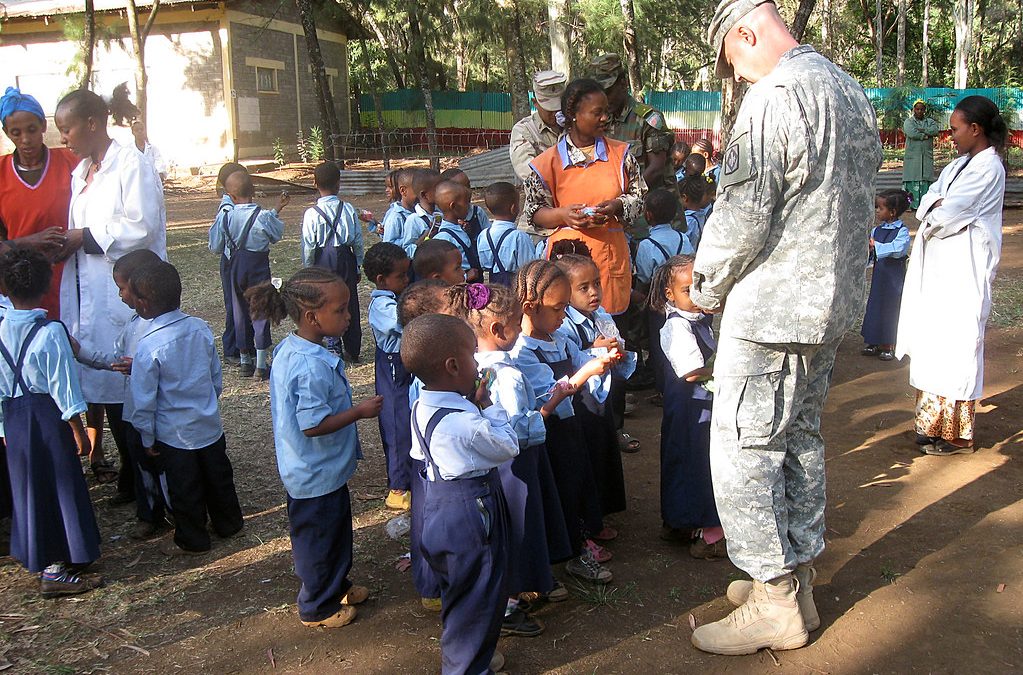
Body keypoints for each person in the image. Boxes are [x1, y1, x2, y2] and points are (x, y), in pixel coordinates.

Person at [690, 0, 882, 655]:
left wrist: (703, 288)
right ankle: (796, 577)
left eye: (733, 63)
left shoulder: (775, 96)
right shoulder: (848, 89)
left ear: (746, 32)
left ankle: (772, 597)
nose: (737, 77)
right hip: (828, 303)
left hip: (770, 307)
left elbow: (743, 213)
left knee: (746, 449)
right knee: (797, 438)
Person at [248, 267, 382, 628]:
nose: (348, 316)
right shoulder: (309, 365)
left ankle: (336, 584)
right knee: (318, 542)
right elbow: (311, 425)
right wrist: (359, 412)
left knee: (334, 532)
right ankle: (316, 606)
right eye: (340, 311)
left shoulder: (298, 348)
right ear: (312, 317)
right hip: (313, 472)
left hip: (322, 469)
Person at [54, 88, 166, 495]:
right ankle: (130, 473)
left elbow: (142, 225)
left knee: (128, 385)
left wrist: (83, 236)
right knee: (106, 384)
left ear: (92, 123)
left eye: (66, 129)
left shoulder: (130, 165)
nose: (63, 138)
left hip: (125, 293)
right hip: (91, 295)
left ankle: (143, 480)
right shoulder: (82, 171)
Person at [448, 282, 568, 638]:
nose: (522, 328)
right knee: (519, 528)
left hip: (489, 466)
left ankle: (512, 594)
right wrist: (551, 404)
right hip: (516, 466)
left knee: (501, 530)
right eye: (518, 321)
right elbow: (519, 431)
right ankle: (510, 604)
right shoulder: (509, 374)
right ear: (499, 330)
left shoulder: (470, 368)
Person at [402, 313, 519, 675]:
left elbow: (420, 455)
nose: (477, 363)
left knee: (460, 590)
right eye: (473, 355)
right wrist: (487, 404)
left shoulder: (423, 405)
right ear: (453, 366)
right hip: (471, 512)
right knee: (481, 595)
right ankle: (466, 667)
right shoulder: (465, 422)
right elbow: (508, 445)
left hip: (437, 507)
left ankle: (469, 657)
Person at [895, 96, 1007, 457]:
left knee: (957, 344)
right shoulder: (958, 165)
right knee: (933, 341)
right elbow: (929, 200)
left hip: (964, 271)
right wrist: (935, 205)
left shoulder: (989, 168)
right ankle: (930, 424)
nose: (951, 135)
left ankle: (958, 434)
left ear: (975, 129)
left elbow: (948, 214)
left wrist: (937, 207)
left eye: (956, 129)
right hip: (938, 270)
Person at [0, 247, 101, 598]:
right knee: (59, 488)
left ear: (4, 288)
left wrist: (4, 430)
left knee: (29, 489)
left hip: (14, 418)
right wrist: (80, 431)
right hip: (49, 419)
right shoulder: (51, 332)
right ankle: (58, 567)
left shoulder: (0, 330)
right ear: (46, 287)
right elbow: (65, 388)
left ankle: (46, 556)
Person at [511, 259, 619, 584]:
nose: (563, 316)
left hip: (570, 429)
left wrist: (599, 359)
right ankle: (558, 557)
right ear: (530, 307)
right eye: (558, 309)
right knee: (555, 493)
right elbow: (549, 394)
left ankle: (577, 545)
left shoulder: (558, 339)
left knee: (575, 485)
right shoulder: (522, 352)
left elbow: (579, 355)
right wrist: (587, 372)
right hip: (547, 435)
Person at [128, 261, 244, 556]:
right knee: (219, 477)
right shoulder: (199, 328)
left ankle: (193, 539)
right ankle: (229, 523)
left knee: (185, 488)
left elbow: (144, 400)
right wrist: (208, 403)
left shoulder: (148, 346)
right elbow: (214, 375)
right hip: (207, 424)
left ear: (142, 304)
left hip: (174, 434)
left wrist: (147, 436)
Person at [524, 78, 647, 317]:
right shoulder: (547, 163)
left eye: (606, 112)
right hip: (567, 264)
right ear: (573, 115)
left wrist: (616, 206)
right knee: (567, 326)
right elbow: (534, 213)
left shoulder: (622, 155)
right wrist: (563, 215)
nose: (605, 118)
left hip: (610, 261)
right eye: (597, 113)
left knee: (611, 332)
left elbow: (639, 198)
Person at [73, 249, 168, 540]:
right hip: (135, 412)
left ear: (143, 289)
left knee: (165, 466)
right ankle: (148, 515)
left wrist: (140, 367)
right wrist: (83, 354)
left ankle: (175, 509)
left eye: (123, 288)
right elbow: (115, 358)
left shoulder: (170, 329)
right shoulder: (133, 325)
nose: (120, 296)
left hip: (162, 414)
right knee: (140, 464)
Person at [647, 255, 726, 559]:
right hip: (691, 412)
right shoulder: (677, 327)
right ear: (670, 295)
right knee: (697, 465)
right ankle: (708, 534)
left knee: (685, 462)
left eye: (701, 286)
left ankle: (681, 522)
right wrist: (726, 366)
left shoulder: (697, 319)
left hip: (696, 409)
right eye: (687, 289)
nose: (696, 294)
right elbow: (691, 372)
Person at [553, 251, 636, 531]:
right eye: (583, 287)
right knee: (586, 454)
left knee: (603, 449)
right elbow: (569, 359)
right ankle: (588, 519)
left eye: (597, 284)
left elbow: (617, 344)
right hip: (580, 399)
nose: (593, 293)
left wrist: (617, 350)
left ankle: (602, 509)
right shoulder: (562, 323)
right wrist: (595, 350)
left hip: (603, 395)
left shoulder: (601, 315)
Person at [0, 87, 77, 316]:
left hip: (70, 275)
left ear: (44, 125)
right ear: (6, 132)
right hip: (21, 284)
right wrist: (31, 241)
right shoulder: (1, 173)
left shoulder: (71, 162)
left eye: (32, 130)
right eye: (16, 132)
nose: (25, 140)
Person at [209, 169, 289, 379]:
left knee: (239, 311)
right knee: (261, 310)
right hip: (258, 267)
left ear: (231, 196)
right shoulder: (261, 216)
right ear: (253, 191)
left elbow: (215, 245)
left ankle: (245, 361)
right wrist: (276, 211)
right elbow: (276, 235)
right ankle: (261, 364)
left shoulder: (225, 216)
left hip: (235, 267)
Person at [364, 242, 414, 511]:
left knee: (407, 420)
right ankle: (398, 487)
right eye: (402, 276)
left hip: (403, 365)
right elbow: (402, 323)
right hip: (393, 368)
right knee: (397, 424)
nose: (406, 281)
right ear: (382, 280)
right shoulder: (382, 306)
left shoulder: (394, 298)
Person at [301, 161, 365, 362]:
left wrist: (309, 269)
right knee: (349, 302)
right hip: (346, 258)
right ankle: (353, 348)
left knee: (325, 302)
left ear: (315, 183)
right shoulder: (348, 209)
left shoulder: (311, 213)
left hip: (322, 261)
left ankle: (333, 346)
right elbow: (357, 241)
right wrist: (358, 264)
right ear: (339, 184)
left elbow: (309, 245)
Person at [634, 189, 694, 395]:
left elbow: (642, 277)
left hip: (658, 303)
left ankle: (663, 389)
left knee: (659, 345)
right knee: (685, 337)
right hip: (683, 298)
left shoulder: (646, 245)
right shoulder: (683, 238)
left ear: (648, 215)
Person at [589, 53, 675, 191]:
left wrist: (625, 198)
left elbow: (656, 170)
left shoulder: (648, 119)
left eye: (608, 91)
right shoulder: (600, 123)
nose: (604, 98)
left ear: (623, 84)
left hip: (655, 206)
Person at [861, 189, 912, 361]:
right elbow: (871, 253)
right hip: (879, 276)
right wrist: (869, 249)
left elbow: (898, 250)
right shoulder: (876, 230)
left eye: (880, 208)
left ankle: (888, 344)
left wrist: (876, 246)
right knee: (875, 305)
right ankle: (872, 340)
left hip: (893, 277)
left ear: (892, 212)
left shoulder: (902, 231)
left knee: (891, 307)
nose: (877, 211)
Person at [211, 162, 247, 367]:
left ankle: (244, 343)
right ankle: (232, 346)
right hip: (232, 260)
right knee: (234, 305)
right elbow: (216, 244)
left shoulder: (239, 205)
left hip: (243, 259)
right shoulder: (226, 209)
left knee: (244, 304)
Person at [509, 71, 567, 185]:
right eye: (549, 109)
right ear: (535, 103)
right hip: (543, 198)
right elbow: (529, 174)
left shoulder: (573, 125)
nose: (555, 113)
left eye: (559, 107)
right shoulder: (524, 130)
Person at [477, 182, 537, 286]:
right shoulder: (519, 237)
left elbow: (484, 264)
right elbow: (529, 268)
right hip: (515, 288)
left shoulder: (483, 235)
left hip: (494, 289)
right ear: (514, 208)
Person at [431, 180, 482, 282]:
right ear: (453, 206)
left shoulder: (459, 228)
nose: (469, 207)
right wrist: (466, 277)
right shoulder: (444, 238)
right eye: (466, 203)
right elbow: (445, 275)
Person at [902, 99, 940, 206]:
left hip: (926, 156)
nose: (919, 111)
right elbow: (911, 133)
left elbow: (935, 130)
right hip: (913, 156)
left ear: (925, 110)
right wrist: (924, 135)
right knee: (911, 179)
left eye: (921, 109)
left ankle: (925, 205)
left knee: (926, 179)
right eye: (917, 109)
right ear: (913, 110)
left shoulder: (930, 122)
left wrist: (921, 129)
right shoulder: (909, 122)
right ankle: (910, 204)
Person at [440, 168, 491, 242]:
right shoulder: (440, 219)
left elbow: (489, 237)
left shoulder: (477, 212)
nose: (468, 191)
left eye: (468, 186)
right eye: (461, 189)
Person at [381, 168, 417, 251]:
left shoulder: (418, 211)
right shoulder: (396, 216)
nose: (387, 190)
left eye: (390, 187)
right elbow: (388, 245)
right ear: (402, 190)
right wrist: (413, 238)